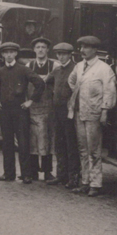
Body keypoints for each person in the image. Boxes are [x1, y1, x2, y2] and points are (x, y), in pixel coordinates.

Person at [68, 35, 117, 197]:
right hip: (79, 112)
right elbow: (72, 81)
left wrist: (104, 110)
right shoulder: (79, 66)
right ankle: (85, 182)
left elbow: (109, 91)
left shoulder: (104, 68)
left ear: (95, 49)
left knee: (94, 150)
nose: (82, 50)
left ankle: (95, 184)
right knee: (83, 149)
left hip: (94, 113)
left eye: (86, 47)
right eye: (81, 47)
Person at [0, 42, 42, 184]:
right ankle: (9, 174)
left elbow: (40, 83)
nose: (8, 55)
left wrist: (31, 101)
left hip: (20, 111)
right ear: (2, 55)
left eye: (11, 52)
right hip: (5, 111)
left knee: (23, 142)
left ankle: (26, 174)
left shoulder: (23, 70)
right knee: (7, 143)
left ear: (15, 54)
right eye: (5, 52)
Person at [48, 42, 81, 189]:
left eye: (64, 54)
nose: (61, 57)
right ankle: (61, 175)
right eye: (59, 54)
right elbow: (47, 82)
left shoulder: (75, 69)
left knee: (71, 143)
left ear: (70, 55)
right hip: (57, 111)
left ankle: (73, 177)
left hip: (69, 112)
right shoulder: (57, 70)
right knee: (59, 143)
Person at [26, 37, 56, 181]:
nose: (40, 50)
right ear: (34, 50)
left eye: (43, 47)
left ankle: (47, 171)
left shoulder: (54, 66)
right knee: (33, 140)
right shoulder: (28, 66)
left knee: (47, 140)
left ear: (48, 50)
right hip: (33, 108)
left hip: (48, 109)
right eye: (38, 47)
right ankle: (33, 172)